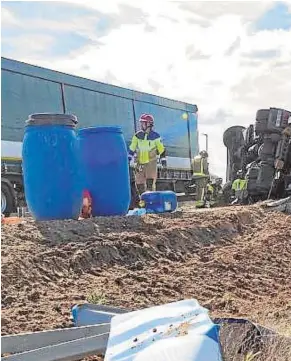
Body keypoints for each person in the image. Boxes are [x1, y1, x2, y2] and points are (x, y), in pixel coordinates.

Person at [128, 113, 166, 197]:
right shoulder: (137, 136)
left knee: (150, 183)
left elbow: (162, 150)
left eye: (143, 123)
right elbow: (132, 149)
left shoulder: (156, 136)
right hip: (140, 164)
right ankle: (143, 202)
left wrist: (164, 163)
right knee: (139, 184)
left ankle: (151, 202)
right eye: (141, 123)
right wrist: (128, 160)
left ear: (149, 124)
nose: (141, 125)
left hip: (151, 163)